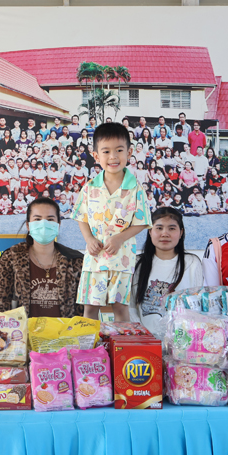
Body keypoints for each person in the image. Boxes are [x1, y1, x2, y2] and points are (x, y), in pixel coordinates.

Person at [73, 122, 152, 321]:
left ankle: (121, 342)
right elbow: (81, 217)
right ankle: (89, 342)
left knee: (120, 309)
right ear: (96, 156)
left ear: (129, 152)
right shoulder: (89, 187)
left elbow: (142, 222)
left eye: (119, 150)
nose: (113, 157)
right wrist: (89, 239)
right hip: (95, 259)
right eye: (106, 151)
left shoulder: (136, 188)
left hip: (122, 258)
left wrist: (119, 238)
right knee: (90, 309)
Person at [0, 197, 85, 318]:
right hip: (22, 330)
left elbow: (82, 311)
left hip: (65, 330)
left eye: (50, 219)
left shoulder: (75, 260)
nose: (43, 224)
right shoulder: (11, 258)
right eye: (37, 219)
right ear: (28, 225)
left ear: (58, 224)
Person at [129, 207, 204, 329]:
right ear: (150, 231)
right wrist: (143, 335)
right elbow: (130, 307)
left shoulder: (192, 262)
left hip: (182, 337)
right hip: (145, 337)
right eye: (159, 228)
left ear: (181, 232)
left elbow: (197, 306)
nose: (165, 233)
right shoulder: (137, 263)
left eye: (172, 228)